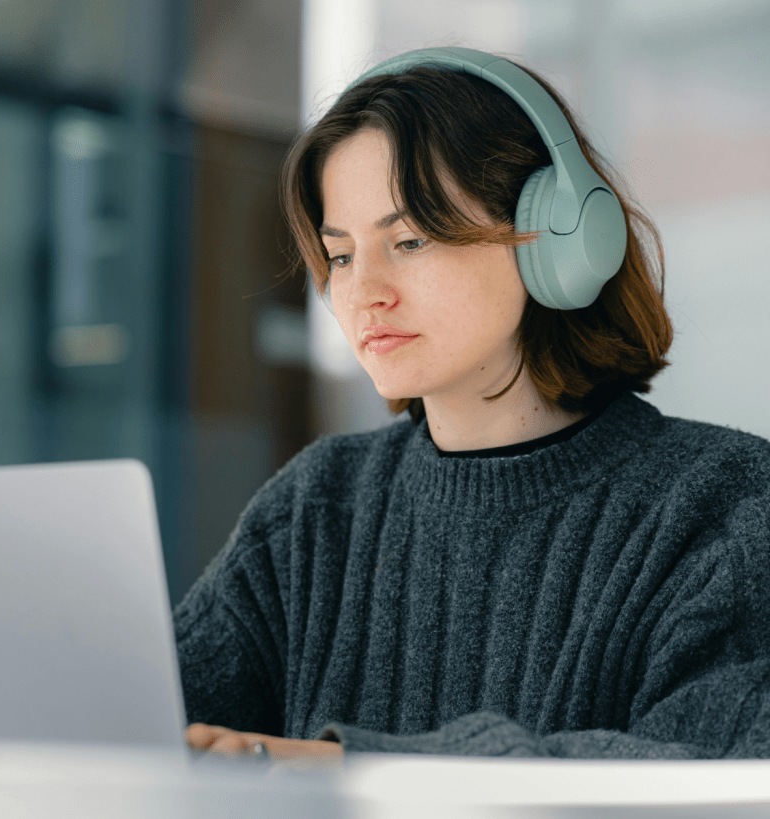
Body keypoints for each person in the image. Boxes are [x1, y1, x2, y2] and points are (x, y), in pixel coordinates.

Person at [176, 48, 770, 763]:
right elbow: (144, 720)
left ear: (559, 236)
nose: (364, 291)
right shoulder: (317, 504)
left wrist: (349, 770)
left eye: (410, 239)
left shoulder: (725, 503)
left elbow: (713, 771)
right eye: (340, 255)